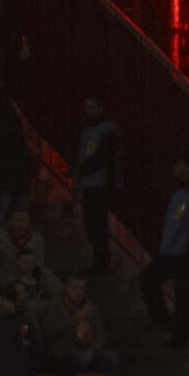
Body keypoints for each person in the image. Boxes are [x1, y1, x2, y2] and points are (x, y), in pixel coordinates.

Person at [139, 157, 189, 350]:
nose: (174, 166)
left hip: (186, 255)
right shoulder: (177, 193)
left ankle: (179, 338)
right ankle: (162, 320)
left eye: (179, 163)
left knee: (184, 298)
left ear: (188, 167)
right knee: (147, 278)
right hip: (171, 252)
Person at [71, 96, 121, 273]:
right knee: (91, 223)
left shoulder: (107, 129)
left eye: (92, 107)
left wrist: (82, 170)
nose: (88, 110)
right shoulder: (88, 129)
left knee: (97, 224)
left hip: (100, 185)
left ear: (101, 107)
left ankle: (102, 262)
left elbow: (103, 157)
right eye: (87, 106)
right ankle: (99, 262)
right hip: (89, 184)